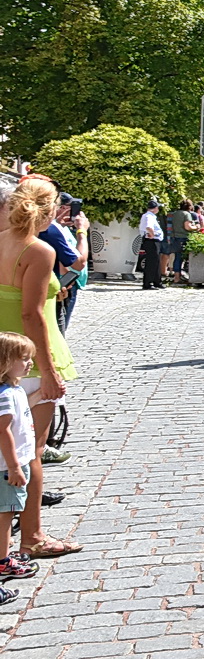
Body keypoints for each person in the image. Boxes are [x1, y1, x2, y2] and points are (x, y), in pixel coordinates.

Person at [0, 181, 81, 559]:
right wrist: (49, 372)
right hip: (27, 360)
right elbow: (32, 314)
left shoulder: (2, 240)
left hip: (4, 351)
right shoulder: (39, 250)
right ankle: (31, 536)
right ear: (50, 212)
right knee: (31, 450)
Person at [0, 332, 41, 597]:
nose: (29, 363)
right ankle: (3, 561)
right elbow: (3, 430)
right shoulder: (4, 394)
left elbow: (23, 409)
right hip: (6, 467)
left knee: (8, 512)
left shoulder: (15, 390)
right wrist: (14, 466)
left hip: (14, 463)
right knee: (5, 514)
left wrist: (42, 394)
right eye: (23, 359)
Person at [49, 195, 88, 334]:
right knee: (58, 331)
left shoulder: (55, 227)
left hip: (66, 282)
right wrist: (82, 231)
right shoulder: (50, 229)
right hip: (63, 284)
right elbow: (79, 262)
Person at [137, 200, 165, 290]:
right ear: (155, 208)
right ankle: (148, 283)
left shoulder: (149, 216)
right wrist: (152, 234)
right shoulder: (149, 216)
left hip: (154, 240)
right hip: (151, 241)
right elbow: (149, 227)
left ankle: (157, 281)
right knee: (151, 262)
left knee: (156, 262)